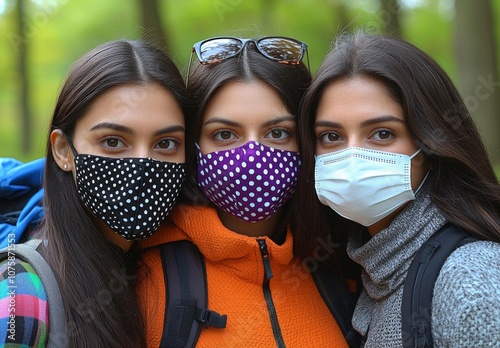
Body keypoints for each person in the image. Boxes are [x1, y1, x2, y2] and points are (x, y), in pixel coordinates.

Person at [137, 36, 353, 347]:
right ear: (193, 145)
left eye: (277, 133)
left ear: (305, 141)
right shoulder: (146, 278)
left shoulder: (342, 262)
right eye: (224, 134)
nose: (252, 157)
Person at [297, 31, 500, 347]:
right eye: (331, 137)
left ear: (430, 147)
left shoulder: (470, 282)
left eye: (381, 134)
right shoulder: (369, 271)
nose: (352, 157)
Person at [0, 39, 192, 347]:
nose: (142, 164)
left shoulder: (183, 271)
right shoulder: (21, 293)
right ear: (64, 150)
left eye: (165, 143)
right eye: (113, 142)